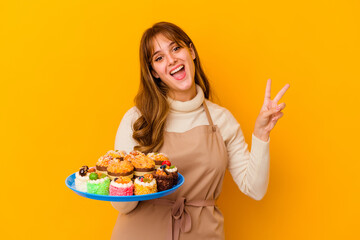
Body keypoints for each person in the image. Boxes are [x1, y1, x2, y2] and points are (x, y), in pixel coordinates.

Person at [111, 22, 290, 240]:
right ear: (154, 73)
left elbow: (255, 189)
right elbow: (122, 207)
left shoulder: (222, 120)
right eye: (159, 58)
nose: (171, 60)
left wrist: (261, 134)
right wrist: (127, 179)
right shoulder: (137, 119)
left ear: (191, 51)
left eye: (176, 48)